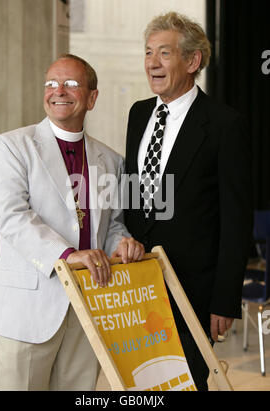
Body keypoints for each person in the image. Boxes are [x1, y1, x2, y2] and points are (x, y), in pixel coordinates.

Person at [0, 54, 144, 391]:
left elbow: (113, 225)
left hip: (87, 309)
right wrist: (67, 254)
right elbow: (12, 216)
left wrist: (122, 242)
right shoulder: (14, 146)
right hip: (27, 308)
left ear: (92, 97)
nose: (58, 90)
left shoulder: (111, 160)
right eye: (51, 83)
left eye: (71, 83)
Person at [124, 12, 252, 391]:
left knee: (186, 383)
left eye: (164, 53)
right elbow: (134, 193)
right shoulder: (138, 114)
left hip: (193, 291)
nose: (152, 63)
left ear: (193, 61)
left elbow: (236, 220)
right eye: (148, 52)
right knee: (142, 383)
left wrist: (224, 300)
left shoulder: (226, 125)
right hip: (137, 283)